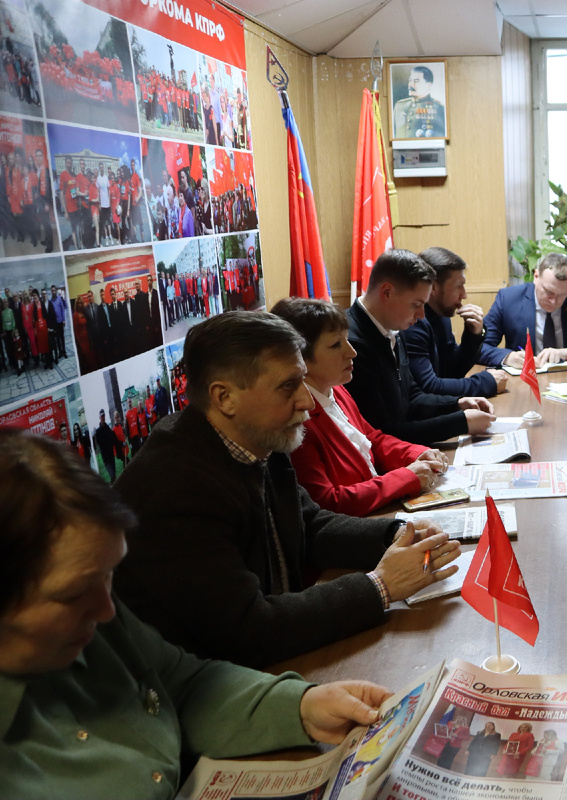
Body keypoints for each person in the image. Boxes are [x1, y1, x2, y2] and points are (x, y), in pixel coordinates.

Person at [0, 428, 398, 799]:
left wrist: (301, 706)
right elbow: (251, 627)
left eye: (108, 575)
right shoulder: (177, 477)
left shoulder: (94, 613)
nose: (107, 610)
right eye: (72, 595)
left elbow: (183, 684)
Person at [112, 311, 462, 668]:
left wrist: (397, 534)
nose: (307, 401)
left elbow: (309, 525)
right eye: (288, 386)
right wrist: (380, 586)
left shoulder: (259, 437)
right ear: (224, 397)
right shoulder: (177, 487)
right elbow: (248, 630)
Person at [273, 297, 449, 516]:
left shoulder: (336, 389)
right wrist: (406, 478)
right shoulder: (297, 419)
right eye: (336, 345)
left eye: (347, 340)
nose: (352, 352)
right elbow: (326, 503)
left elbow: (372, 439)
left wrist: (416, 453)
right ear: (300, 358)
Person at [346, 248, 495, 446]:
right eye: (416, 304)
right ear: (387, 292)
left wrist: (457, 404)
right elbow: (383, 433)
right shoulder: (351, 345)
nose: (422, 315)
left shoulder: (393, 327)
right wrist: (460, 423)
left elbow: (413, 398)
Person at [479, 253, 567, 370]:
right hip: (524, 380)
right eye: (548, 291)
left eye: (562, 295)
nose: (554, 301)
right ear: (536, 277)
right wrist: (508, 357)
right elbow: (478, 348)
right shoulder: (509, 299)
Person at [403, 246, 508, 397]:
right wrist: (486, 383)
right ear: (433, 288)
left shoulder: (441, 314)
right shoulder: (413, 322)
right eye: (459, 286)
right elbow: (428, 387)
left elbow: (452, 371)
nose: (464, 295)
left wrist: (473, 335)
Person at [393, 66, 446, 138]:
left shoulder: (439, 108)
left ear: (428, 85)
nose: (410, 85)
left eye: (416, 81)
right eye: (410, 80)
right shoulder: (399, 106)